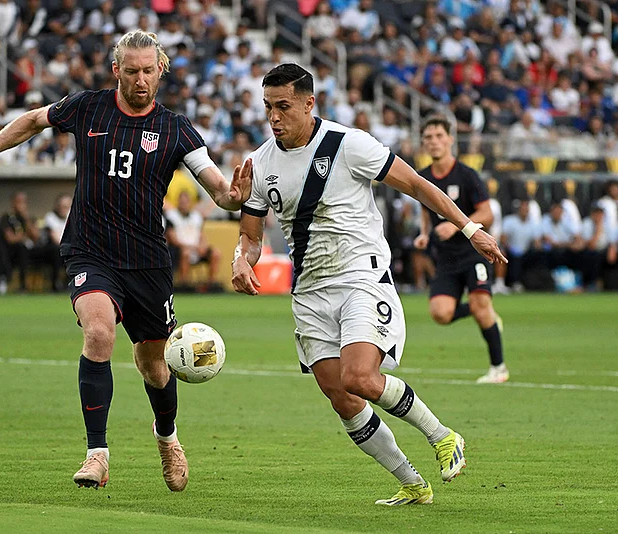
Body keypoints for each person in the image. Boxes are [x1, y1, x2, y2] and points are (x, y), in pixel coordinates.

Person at [0, 30, 250, 492]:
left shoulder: (176, 128)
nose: (141, 80)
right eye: (132, 71)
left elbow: (219, 190)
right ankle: (97, 454)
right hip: (90, 249)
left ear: (161, 71)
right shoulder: (88, 107)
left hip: (147, 260)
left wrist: (234, 197)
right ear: (116, 71)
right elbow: (33, 120)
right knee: (99, 332)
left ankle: (167, 437)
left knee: (154, 366)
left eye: (148, 71)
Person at [232, 64, 506, 506]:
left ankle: (442, 435)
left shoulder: (349, 144)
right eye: (268, 107)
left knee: (359, 376)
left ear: (309, 103)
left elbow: (417, 184)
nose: (274, 117)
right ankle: (412, 483)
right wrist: (241, 260)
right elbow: (250, 236)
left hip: (361, 275)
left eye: (283, 106)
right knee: (341, 397)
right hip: (310, 292)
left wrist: (470, 228)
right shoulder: (260, 163)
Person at [413, 116, 508, 384]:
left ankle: (498, 368)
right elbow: (425, 209)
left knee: (479, 305)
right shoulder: (422, 178)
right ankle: (486, 312)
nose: (434, 142)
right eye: (428, 137)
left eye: (438, 136)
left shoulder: (466, 175)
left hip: (472, 254)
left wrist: (457, 226)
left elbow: (487, 214)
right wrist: (424, 234)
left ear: (450, 140)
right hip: (445, 257)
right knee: (440, 314)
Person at [164, 190, 222, 290]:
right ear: (178, 202)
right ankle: (184, 284)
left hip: (196, 249)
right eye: (182, 202)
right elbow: (172, 237)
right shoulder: (172, 216)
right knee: (185, 253)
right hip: (180, 249)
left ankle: (211, 283)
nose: (184, 204)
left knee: (215, 253)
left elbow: (201, 235)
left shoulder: (196, 217)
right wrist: (188, 247)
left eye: (186, 202)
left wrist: (202, 246)